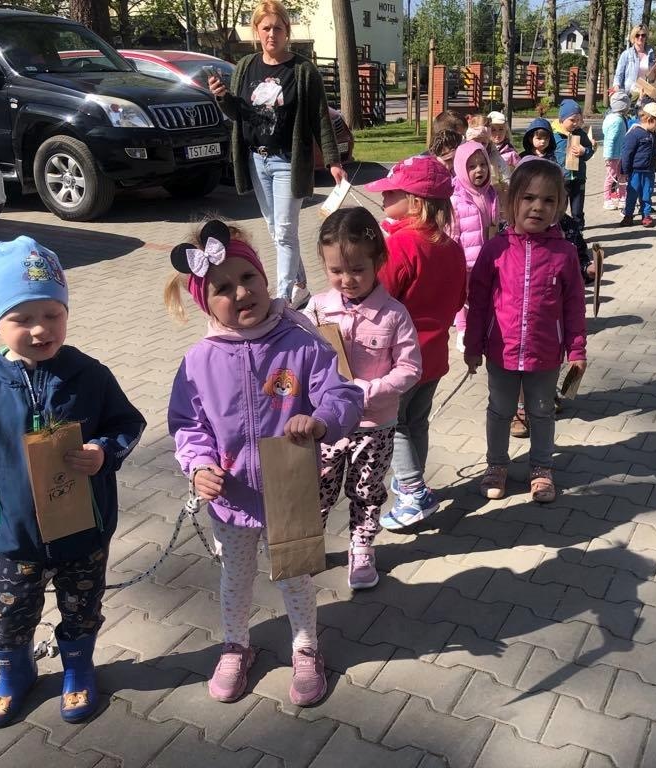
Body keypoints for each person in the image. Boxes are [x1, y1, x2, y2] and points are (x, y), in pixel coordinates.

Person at [0, 237, 146, 728]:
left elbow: (128, 423)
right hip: (16, 537)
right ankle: (14, 674)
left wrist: (104, 451)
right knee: (11, 614)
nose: (40, 328)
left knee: (82, 606)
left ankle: (78, 668)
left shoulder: (89, 374)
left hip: (84, 530)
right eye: (22, 318)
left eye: (52, 314)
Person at [165, 220, 363, 706]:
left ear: (263, 276)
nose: (241, 292)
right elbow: (188, 425)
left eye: (247, 277)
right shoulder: (198, 362)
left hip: (289, 489)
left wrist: (320, 421)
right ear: (205, 303)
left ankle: (306, 646)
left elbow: (342, 395)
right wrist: (199, 466)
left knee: (295, 575)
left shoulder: (301, 342)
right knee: (235, 577)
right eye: (223, 288)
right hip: (231, 498)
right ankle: (236, 645)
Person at [303, 208, 421, 589]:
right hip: (326, 425)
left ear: (379, 260)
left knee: (367, 492)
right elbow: (300, 355)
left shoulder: (394, 315)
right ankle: (307, 547)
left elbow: (410, 368)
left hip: (374, 425)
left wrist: (365, 390)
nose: (346, 280)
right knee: (318, 488)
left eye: (357, 269)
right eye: (336, 270)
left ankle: (362, 548)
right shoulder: (318, 308)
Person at [208, 0, 346, 310]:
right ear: (256, 31)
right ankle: (300, 286)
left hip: (288, 162)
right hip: (257, 160)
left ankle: (283, 299)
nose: (272, 34)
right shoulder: (246, 66)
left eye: (278, 28)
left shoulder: (303, 70)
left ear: (287, 31)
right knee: (275, 229)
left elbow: (320, 118)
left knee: (284, 231)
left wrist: (334, 161)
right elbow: (238, 113)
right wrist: (222, 97)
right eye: (266, 28)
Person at [464, 159, 587, 504]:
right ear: (511, 201)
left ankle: (542, 468)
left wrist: (577, 350)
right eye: (529, 198)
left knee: (542, 411)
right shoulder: (495, 250)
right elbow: (479, 302)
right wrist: (472, 346)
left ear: (560, 206)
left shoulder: (564, 254)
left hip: (545, 353)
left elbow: (574, 306)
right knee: (500, 410)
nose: (537, 207)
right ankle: (496, 465)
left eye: (548, 200)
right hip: (500, 351)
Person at [364, 156, 466, 530]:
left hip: (400, 359)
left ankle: (412, 490)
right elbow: (458, 299)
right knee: (416, 422)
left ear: (415, 202)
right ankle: (414, 479)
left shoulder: (401, 246)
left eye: (391, 192)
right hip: (434, 356)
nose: (382, 197)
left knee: (395, 426)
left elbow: (378, 299)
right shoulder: (452, 248)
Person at [449, 140, 500, 353]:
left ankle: (481, 325)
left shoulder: (490, 194)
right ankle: (462, 328)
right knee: (462, 295)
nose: (479, 170)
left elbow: (495, 224)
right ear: (461, 169)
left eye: (483, 164)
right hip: (465, 260)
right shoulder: (455, 199)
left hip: (487, 257)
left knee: (482, 293)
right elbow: (452, 233)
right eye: (471, 166)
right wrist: (454, 260)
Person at [620, 102, 656, 228]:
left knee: (647, 194)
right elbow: (626, 154)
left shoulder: (652, 134)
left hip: (649, 171)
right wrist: (624, 171)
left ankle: (646, 215)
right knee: (632, 195)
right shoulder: (634, 134)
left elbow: (654, 152)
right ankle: (628, 216)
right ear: (649, 119)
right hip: (635, 172)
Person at [552, 99, 595, 227]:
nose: (575, 123)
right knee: (560, 208)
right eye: (572, 120)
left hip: (578, 178)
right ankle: (560, 230)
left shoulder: (581, 134)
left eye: (578, 120)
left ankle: (579, 229)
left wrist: (584, 151)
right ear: (562, 119)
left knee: (577, 210)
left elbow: (589, 151)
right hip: (561, 179)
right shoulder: (554, 136)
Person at [602, 91, 631, 211]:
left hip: (620, 154)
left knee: (622, 176)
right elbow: (610, 139)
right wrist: (608, 156)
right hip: (614, 156)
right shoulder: (617, 121)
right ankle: (607, 199)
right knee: (611, 177)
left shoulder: (613, 118)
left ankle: (622, 197)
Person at [613, 24, 656, 100]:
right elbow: (618, 75)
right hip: (629, 94)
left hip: (644, 94)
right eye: (637, 35)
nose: (640, 37)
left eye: (643, 35)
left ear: (646, 37)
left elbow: (651, 79)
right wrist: (616, 87)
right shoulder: (626, 54)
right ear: (633, 37)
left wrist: (655, 73)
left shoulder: (650, 54)